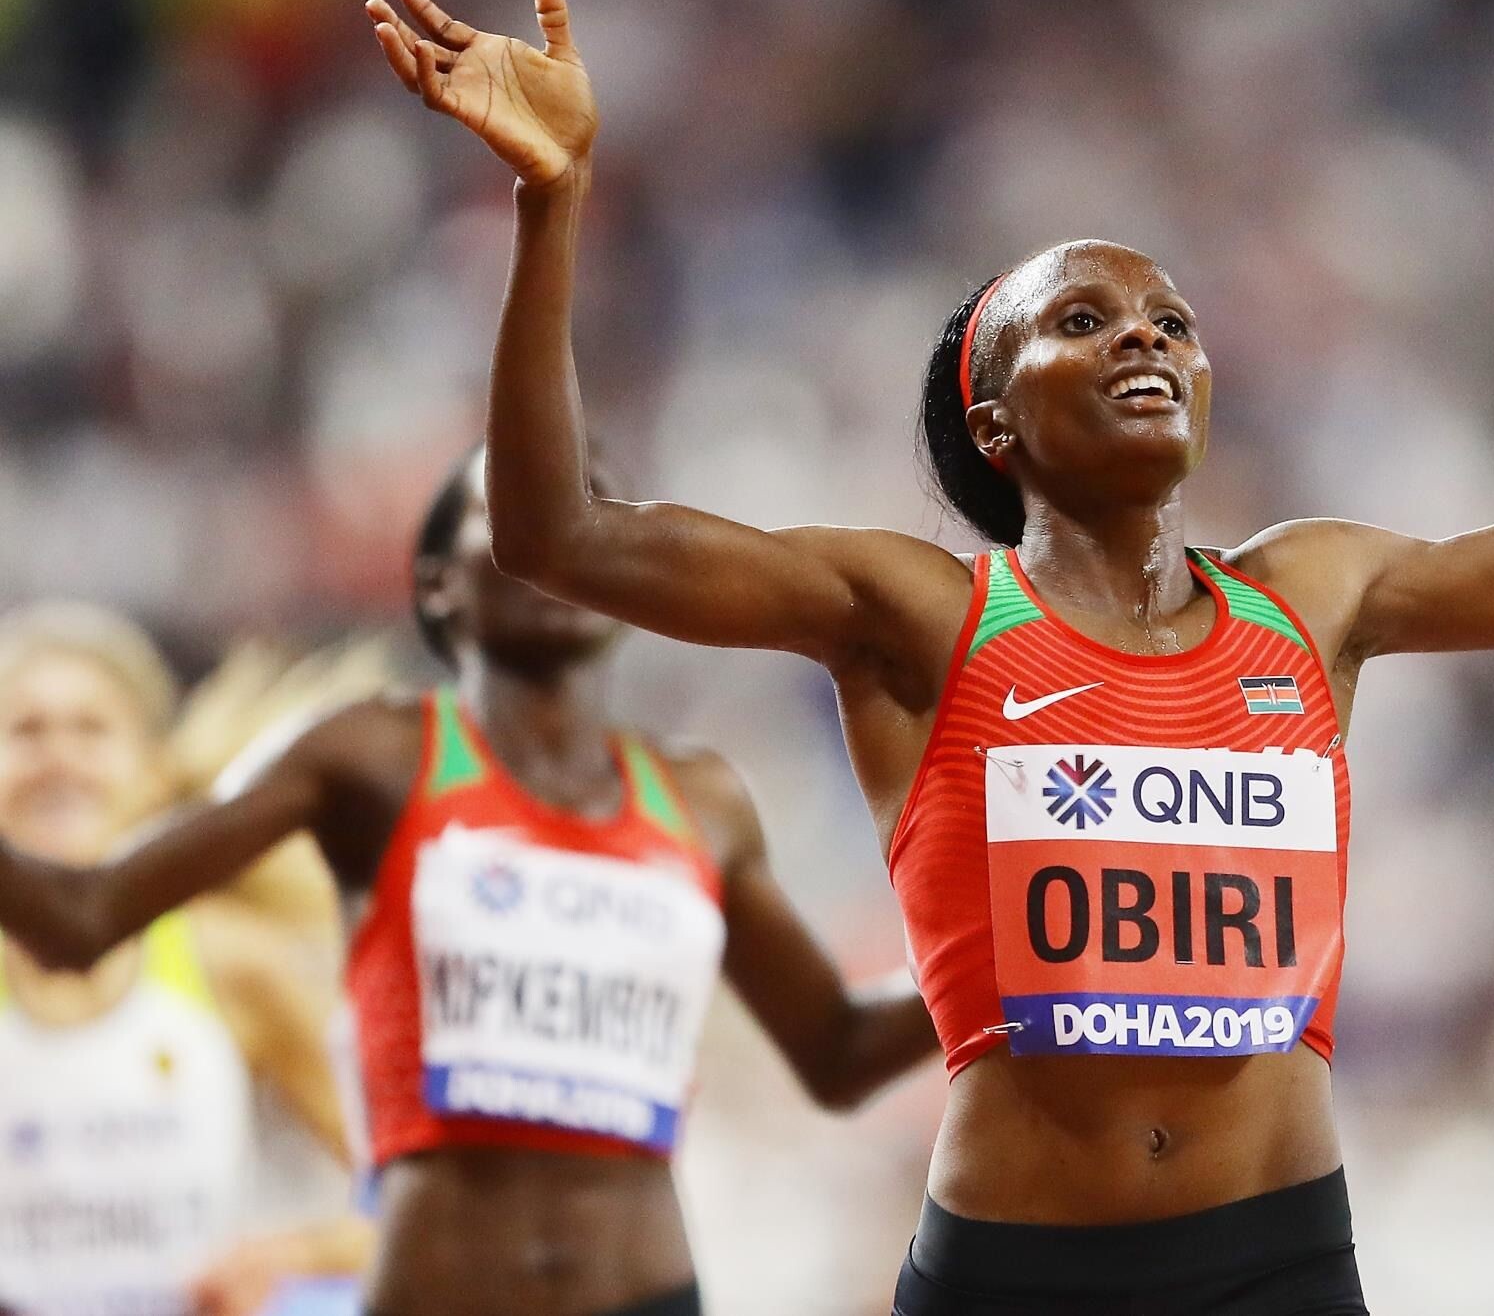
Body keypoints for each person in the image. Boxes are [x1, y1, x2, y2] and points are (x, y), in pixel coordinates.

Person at [361, 0, 1494, 1314]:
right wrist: (554, 198)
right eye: (1083, 318)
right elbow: (562, 538)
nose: (1144, 336)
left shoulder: (1316, 595)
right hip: (1017, 1270)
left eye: (1172, 321)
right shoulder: (919, 614)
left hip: (1278, 1262)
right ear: (995, 420)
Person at [0, 453, 940, 1316]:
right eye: (520, 515)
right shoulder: (370, 758)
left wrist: (1005, 956)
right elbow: (81, 915)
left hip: (648, 1296)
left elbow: (839, 1052)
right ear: (439, 584)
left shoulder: (701, 799)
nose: (562, 534)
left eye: (593, 515)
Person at [0, 604, 370, 1316]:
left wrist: (292, 1256)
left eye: (91, 730)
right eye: (26, 732)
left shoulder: (230, 963)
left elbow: (412, 1193)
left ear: (151, 773)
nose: (58, 759)